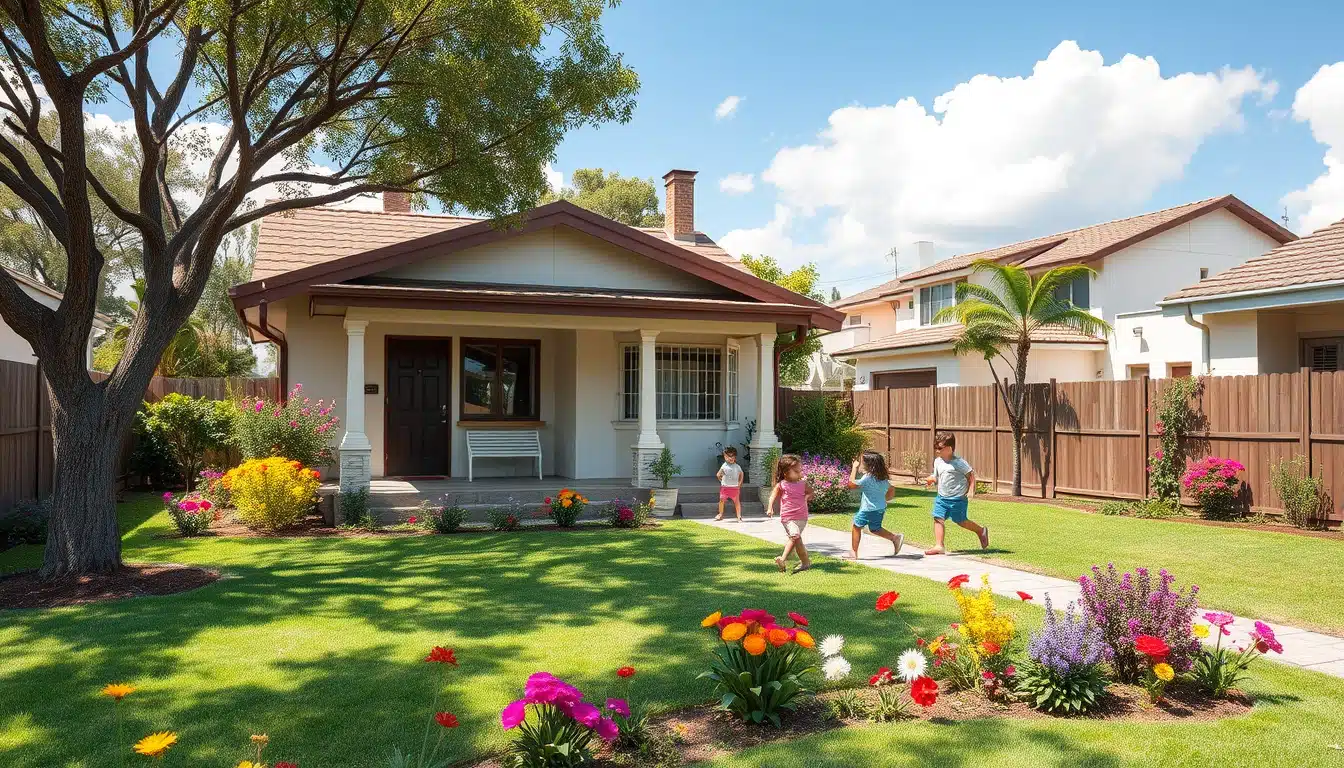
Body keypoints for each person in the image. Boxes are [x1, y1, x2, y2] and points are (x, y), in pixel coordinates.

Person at [922, 432, 990, 555]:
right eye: (936, 447)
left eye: (940, 448)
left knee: (961, 521)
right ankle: (939, 545)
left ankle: (981, 531)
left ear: (949, 448)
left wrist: (971, 490)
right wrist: (931, 479)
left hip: (957, 499)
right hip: (942, 498)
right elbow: (936, 476)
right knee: (938, 518)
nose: (937, 451)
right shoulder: (938, 461)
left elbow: (971, 476)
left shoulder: (959, 463)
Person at [844, 451, 903, 560]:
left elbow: (851, 485)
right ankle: (895, 538)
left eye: (862, 463)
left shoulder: (867, 478)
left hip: (868, 509)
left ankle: (853, 552)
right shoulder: (882, 479)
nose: (861, 464)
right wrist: (885, 499)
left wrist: (854, 468)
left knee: (856, 526)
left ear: (869, 465)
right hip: (880, 509)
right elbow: (891, 489)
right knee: (875, 529)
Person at [766, 454, 813, 573]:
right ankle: (790, 560)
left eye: (800, 471)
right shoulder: (781, 485)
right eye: (796, 472)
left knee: (796, 540)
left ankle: (801, 562)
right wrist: (770, 508)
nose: (800, 474)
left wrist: (807, 497)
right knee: (795, 536)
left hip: (802, 517)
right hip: (787, 517)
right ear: (786, 472)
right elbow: (772, 496)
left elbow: (811, 493)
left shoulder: (803, 484)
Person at [714, 446, 744, 521]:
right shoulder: (724, 465)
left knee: (737, 502)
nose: (730, 458)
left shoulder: (737, 466)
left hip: (734, 487)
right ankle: (720, 514)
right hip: (725, 487)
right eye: (728, 456)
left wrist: (740, 483)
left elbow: (741, 474)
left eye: (732, 456)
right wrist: (721, 480)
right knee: (721, 500)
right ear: (724, 457)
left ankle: (739, 516)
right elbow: (718, 474)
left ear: (735, 457)